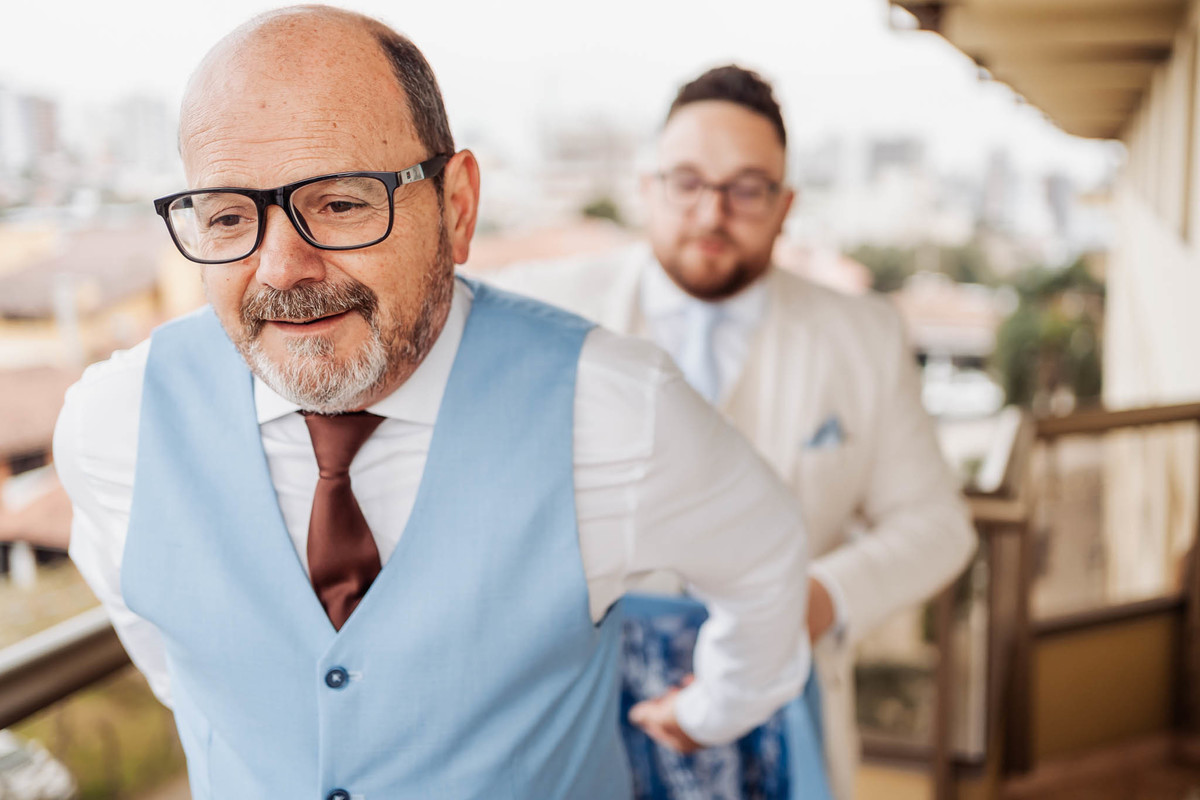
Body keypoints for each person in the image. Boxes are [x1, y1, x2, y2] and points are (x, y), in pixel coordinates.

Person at [53, 9, 826, 800]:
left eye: (340, 203)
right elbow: (161, 643)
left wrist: (711, 710)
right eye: (227, 216)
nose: (282, 268)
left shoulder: (619, 411)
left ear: (456, 206)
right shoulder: (112, 427)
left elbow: (767, 566)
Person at [489, 65, 978, 799]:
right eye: (687, 182)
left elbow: (938, 525)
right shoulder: (544, 311)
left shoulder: (864, 335)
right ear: (648, 188)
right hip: (576, 699)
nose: (713, 212)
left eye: (746, 189)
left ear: (786, 205)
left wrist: (808, 602)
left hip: (783, 698)